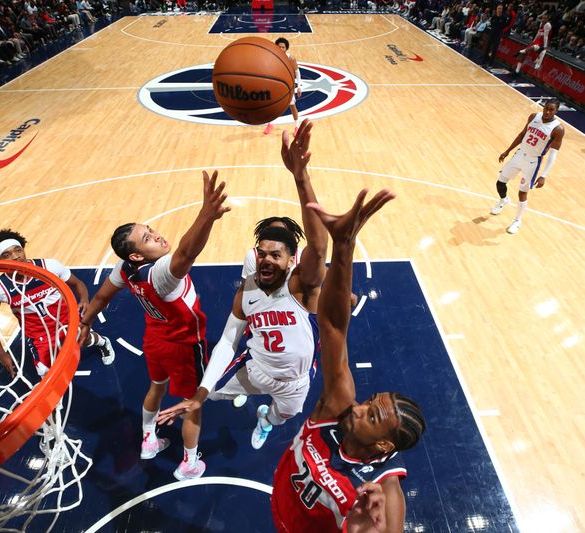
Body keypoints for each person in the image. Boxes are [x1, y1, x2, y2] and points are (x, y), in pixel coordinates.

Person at [157, 119, 328, 451]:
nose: (266, 258)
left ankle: (265, 419)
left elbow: (319, 247)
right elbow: (226, 342)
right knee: (201, 394)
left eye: (275, 254)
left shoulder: (299, 287)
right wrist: (201, 394)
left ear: (291, 259)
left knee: (284, 417)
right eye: (261, 252)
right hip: (254, 368)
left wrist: (300, 176)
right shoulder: (246, 292)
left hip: (294, 382)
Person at [272, 186, 425, 532]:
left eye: (371, 415)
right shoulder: (337, 409)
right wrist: (343, 247)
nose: (357, 407)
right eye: (369, 402)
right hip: (281, 510)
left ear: (383, 444)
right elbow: (334, 326)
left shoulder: (383, 496)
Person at [80, 171, 230, 480]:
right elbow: (188, 252)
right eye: (147, 238)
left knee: (157, 387)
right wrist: (207, 215)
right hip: (184, 344)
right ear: (137, 253)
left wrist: (85, 322)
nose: (157, 235)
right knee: (192, 403)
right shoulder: (161, 273)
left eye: (150, 230)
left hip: (154, 339)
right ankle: (189, 463)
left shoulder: (126, 268)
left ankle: (149, 439)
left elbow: (102, 297)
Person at [0, 229, 116, 379]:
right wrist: (0, 352)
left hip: (67, 321)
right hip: (38, 335)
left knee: (86, 340)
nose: (15, 257)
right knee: (44, 372)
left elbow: (77, 284)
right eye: (6, 255)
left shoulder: (49, 266)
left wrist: (84, 299)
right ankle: (57, 402)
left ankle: (103, 342)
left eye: (18, 250)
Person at [490, 99, 565, 235]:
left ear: (556, 111)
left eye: (551, 110)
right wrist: (507, 151)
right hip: (519, 155)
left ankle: (517, 221)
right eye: (546, 108)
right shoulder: (533, 117)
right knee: (500, 182)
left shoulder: (558, 129)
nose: (547, 112)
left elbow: (553, 155)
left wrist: (543, 176)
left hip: (532, 162)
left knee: (522, 192)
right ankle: (503, 200)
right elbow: (522, 135)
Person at [264, 38, 303, 136]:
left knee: (292, 106)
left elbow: (297, 72)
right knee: (273, 106)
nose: (281, 48)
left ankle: (297, 127)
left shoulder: (291, 58)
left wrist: (299, 86)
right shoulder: (272, 57)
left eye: (283, 47)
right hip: (276, 85)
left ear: (286, 48)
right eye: (279, 46)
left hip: (288, 85)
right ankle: (270, 124)